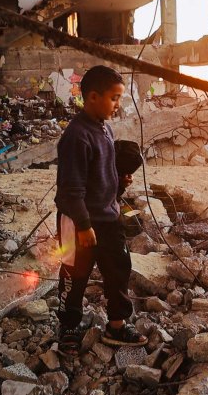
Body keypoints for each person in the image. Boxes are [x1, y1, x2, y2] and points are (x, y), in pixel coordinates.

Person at [55, 65, 146, 353]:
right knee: (75, 275)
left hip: (107, 218)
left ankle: (116, 326)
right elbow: (71, 189)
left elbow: (100, 175)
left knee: (118, 269)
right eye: (115, 98)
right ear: (93, 97)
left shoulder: (103, 129)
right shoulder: (76, 136)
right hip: (79, 221)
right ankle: (69, 327)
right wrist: (83, 226)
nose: (118, 105)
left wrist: (119, 183)